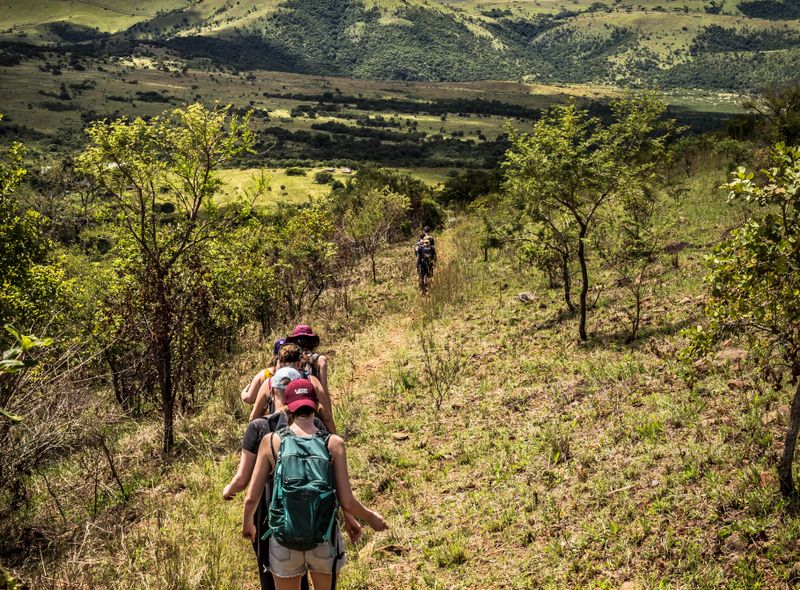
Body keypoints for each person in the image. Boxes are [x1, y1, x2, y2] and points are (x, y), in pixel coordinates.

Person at [242, 379, 388, 590]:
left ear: (287, 407)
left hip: (284, 537)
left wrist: (248, 523)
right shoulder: (334, 443)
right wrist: (371, 518)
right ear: (316, 405)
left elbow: (251, 498)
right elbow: (346, 501)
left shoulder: (271, 441)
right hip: (323, 536)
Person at [249, 344, 336, 434]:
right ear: (299, 363)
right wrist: (335, 437)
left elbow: (253, 417)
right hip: (307, 434)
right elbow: (327, 417)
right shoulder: (311, 381)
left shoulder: (269, 383)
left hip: (277, 434)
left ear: (279, 362)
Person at [284, 325, 329, 399]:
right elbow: (324, 390)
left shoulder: (289, 359)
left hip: (293, 400)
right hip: (312, 401)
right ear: (312, 341)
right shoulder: (320, 359)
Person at [242, 338, 286, 406]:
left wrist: (243, 393)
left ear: (274, 355)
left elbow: (250, 399)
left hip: (270, 412)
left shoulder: (264, 375)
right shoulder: (297, 373)